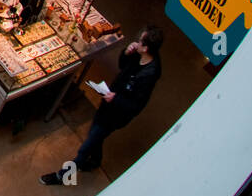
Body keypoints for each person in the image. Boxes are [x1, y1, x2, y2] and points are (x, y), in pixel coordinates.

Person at [41, 26, 164, 185]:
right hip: (108, 105)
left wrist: (116, 99)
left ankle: (63, 176)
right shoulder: (138, 56)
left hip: (115, 115)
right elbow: (122, 66)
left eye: (140, 41)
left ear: (146, 48)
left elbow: (136, 106)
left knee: (87, 145)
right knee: (95, 136)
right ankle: (95, 161)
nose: (137, 42)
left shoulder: (148, 76)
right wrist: (126, 53)